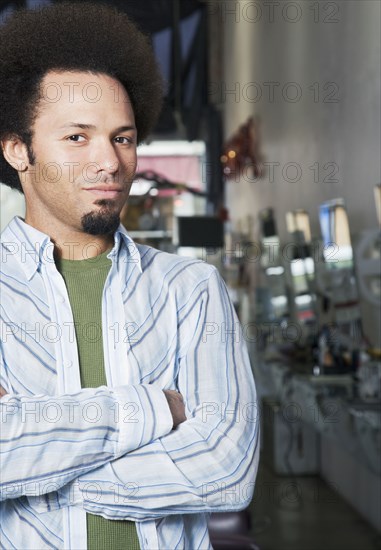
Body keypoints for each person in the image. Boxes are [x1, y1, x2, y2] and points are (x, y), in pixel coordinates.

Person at [0, 3, 259, 549]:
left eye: (122, 137)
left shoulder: (191, 291)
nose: (111, 162)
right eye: (77, 138)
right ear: (18, 150)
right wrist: (155, 408)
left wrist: (35, 461)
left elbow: (226, 468)